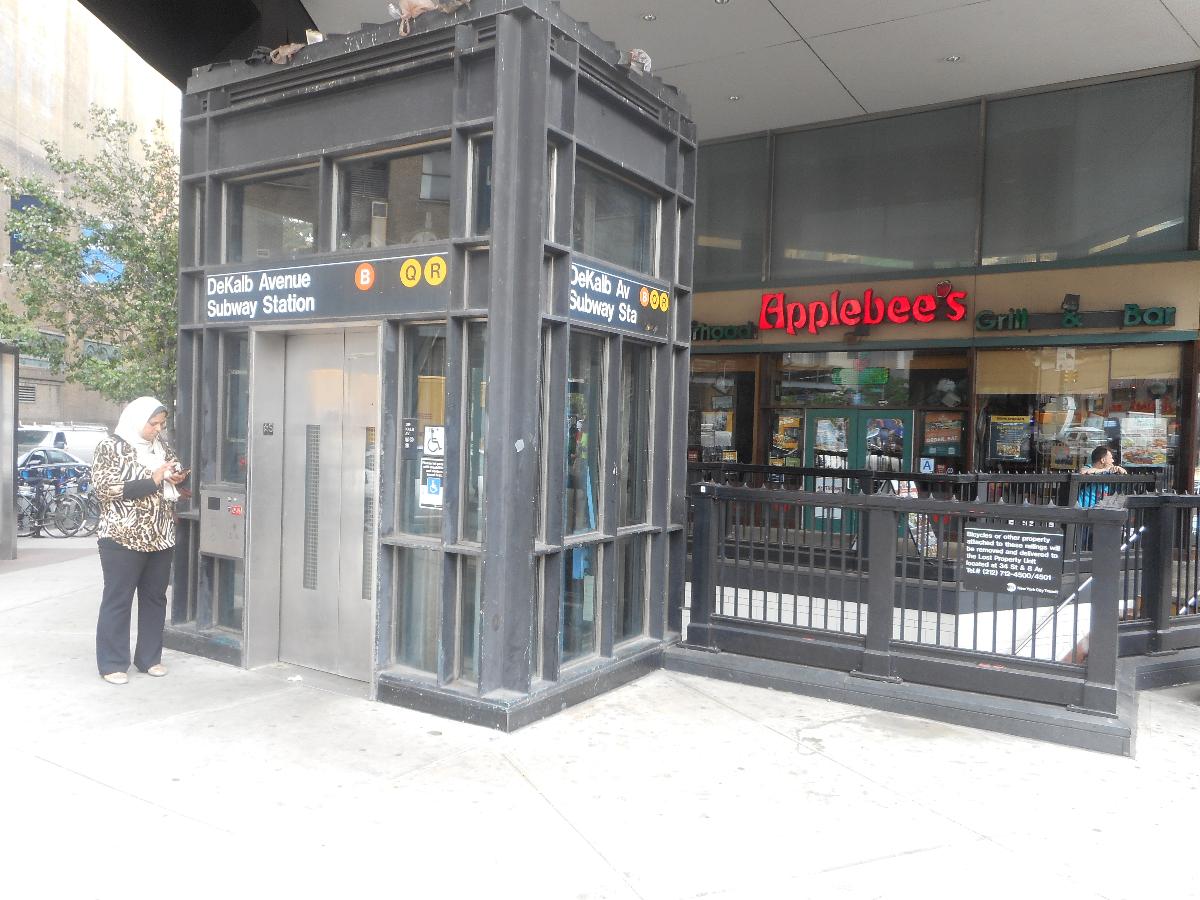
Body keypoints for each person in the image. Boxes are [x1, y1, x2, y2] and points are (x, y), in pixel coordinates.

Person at [92, 397, 189, 685]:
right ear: (137, 419)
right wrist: (154, 479)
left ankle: (149, 658)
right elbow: (105, 488)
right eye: (153, 423)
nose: (157, 429)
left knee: (155, 598)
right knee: (118, 599)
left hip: (160, 535)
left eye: (161, 424)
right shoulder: (111, 446)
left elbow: (171, 477)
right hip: (122, 537)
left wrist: (178, 478)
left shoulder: (162, 447)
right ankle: (112, 663)